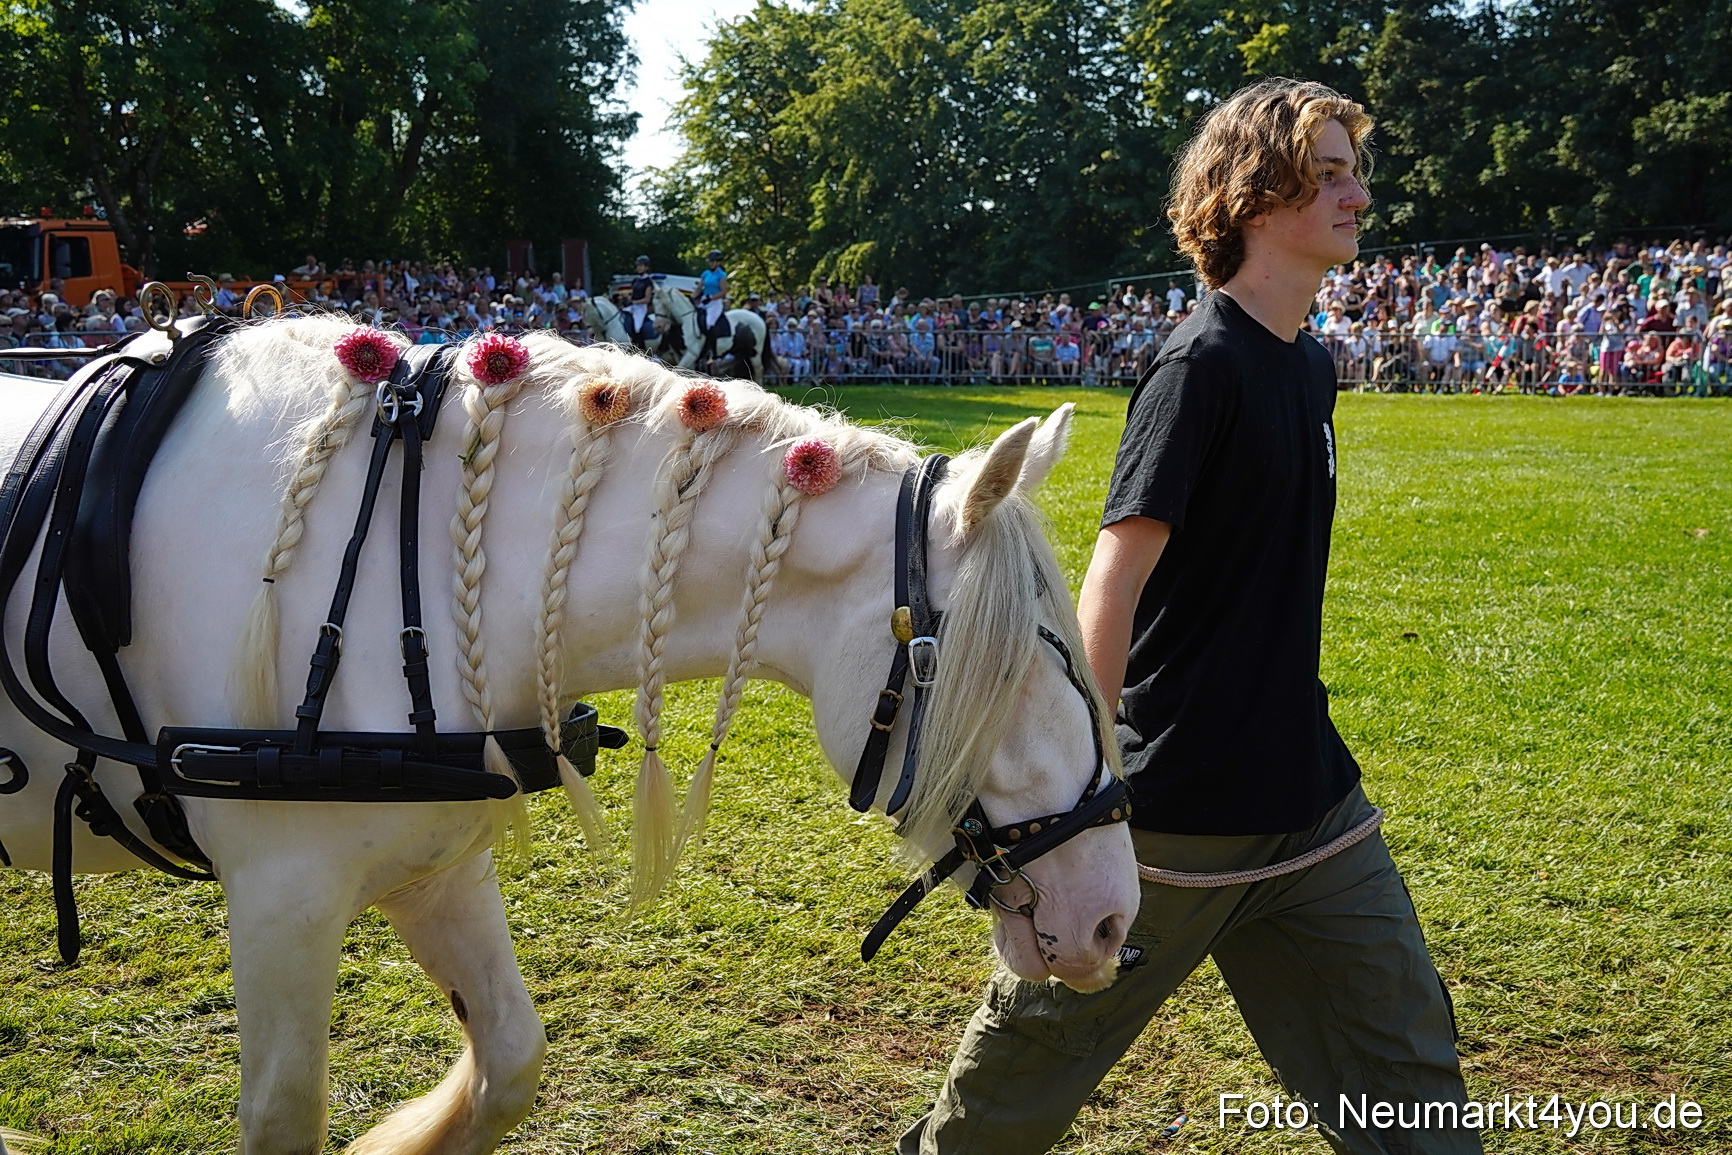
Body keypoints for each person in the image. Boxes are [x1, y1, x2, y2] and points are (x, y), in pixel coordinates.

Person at [900, 78, 1481, 1155]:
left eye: (1357, 168)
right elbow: (1110, 587)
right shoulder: (1198, 365)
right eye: (1335, 170)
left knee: (1405, 1070)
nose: (1360, 193)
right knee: (1019, 1082)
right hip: (1166, 812)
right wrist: (1093, 783)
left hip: (1310, 802)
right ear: (1258, 193)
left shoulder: (1309, 363)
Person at [697, 248, 730, 364]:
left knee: (709, 323)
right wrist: (693, 297)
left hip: (715, 302)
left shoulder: (721, 275)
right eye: (710, 261)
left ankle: (712, 351)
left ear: (718, 262)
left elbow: (723, 291)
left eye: (712, 261)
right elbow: (699, 287)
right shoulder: (705, 273)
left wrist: (711, 298)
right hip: (704, 299)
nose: (710, 263)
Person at [628, 255, 658, 350]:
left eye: (641, 266)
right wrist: (628, 300)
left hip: (641, 308)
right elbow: (632, 294)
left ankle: (640, 348)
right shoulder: (635, 280)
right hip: (632, 306)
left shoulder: (648, 282)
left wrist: (634, 302)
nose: (639, 268)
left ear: (646, 268)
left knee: (637, 327)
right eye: (638, 266)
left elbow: (647, 299)